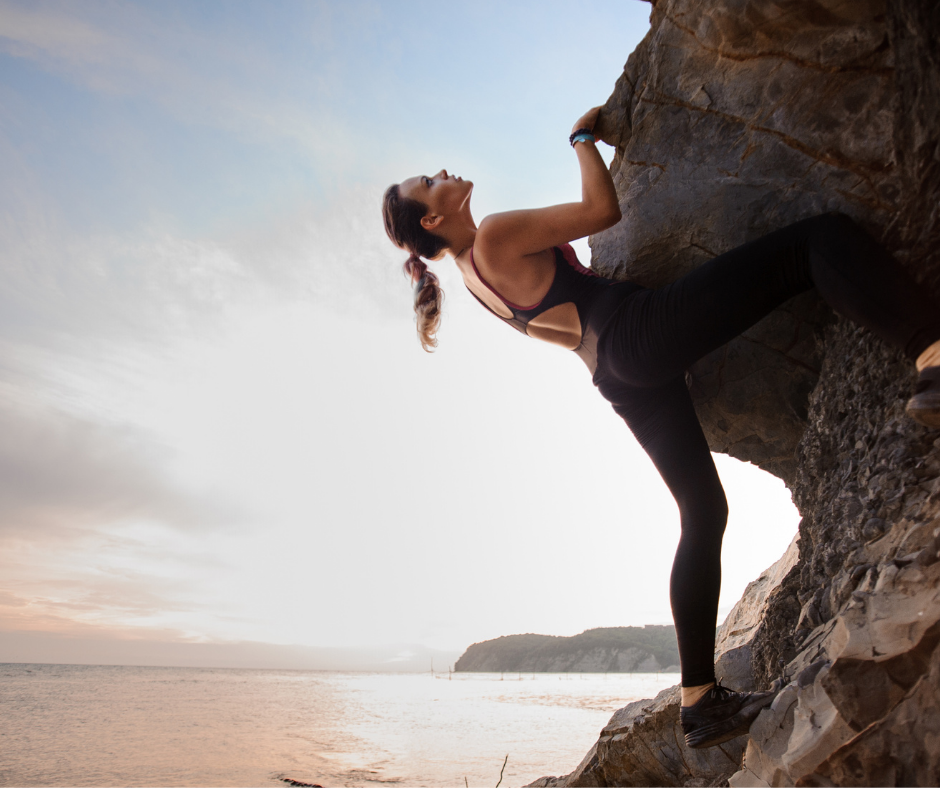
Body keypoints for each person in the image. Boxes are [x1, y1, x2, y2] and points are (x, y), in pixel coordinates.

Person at [381, 106, 940, 749]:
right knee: (814, 242)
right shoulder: (493, 237)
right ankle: (931, 352)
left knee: (702, 513)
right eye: (429, 180)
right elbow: (600, 213)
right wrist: (582, 140)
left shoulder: (470, 277)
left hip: (616, 377)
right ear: (432, 218)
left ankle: (699, 701)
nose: (442, 172)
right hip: (636, 334)